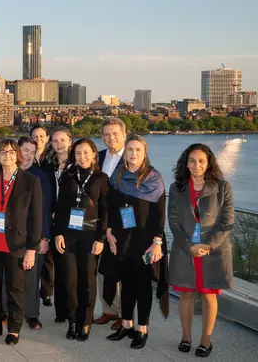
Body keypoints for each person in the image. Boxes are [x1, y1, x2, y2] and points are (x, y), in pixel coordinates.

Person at [168, 144, 233, 358]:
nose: (197, 165)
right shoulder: (176, 189)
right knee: (186, 294)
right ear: (186, 164)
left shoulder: (223, 187)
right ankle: (186, 338)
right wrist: (190, 247)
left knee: (208, 296)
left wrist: (207, 245)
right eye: (192, 161)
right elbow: (174, 222)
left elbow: (226, 222)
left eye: (201, 161)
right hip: (186, 250)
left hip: (211, 251)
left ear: (209, 163)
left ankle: (206, 341)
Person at [0, 139, 41, 346]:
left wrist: (32, 249)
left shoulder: (30, 180)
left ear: (18, 155)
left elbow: (36, 217)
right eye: (3, 152)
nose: (7, 155)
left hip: (17, 245)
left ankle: (14, 329)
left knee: (15, 289)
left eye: (11, 152)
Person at [105, 134, 168, 349]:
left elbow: (160, 213)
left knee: (142, 284)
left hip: (146, 239)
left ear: (144, 153)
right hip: (123, 238)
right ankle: (126, 324)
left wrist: (157, 242)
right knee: (126, 282)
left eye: (138, 150)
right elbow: (112, 208)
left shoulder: (153, 178)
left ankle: (142, 328)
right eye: (130, 149)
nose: (133, 154)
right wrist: (109, 232)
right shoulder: (118, 175)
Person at [54, 139, 109, 342]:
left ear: (94, 154)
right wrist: (58, 233)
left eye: (86, 153)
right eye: (78, 153)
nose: (82, 157)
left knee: (87, 281)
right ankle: (73, 321)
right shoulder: (67, 176)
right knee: (69, 280)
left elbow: (105, 211)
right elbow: (60, 208)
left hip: (90, 236)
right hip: (68, 235)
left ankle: (86, 321)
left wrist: (101, 238)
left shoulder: (101, 178)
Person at [16, 137, 53, 331]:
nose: (28, 155)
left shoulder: (40, 175)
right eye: (25, 150)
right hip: (10, 236)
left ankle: (31, 315)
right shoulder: (6, 172)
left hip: (34, 235)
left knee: (32, 277)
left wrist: (45, 238)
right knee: (11, 276)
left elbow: (45, 209)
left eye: (32, 151)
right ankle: (9, 311)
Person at [95, 117, 126, 330]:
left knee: (122, 271)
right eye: (106, 134)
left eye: (115, 133)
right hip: (99, 220)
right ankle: (108, 310)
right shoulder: (99, 157)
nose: (111, 137)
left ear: (124, 135)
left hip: (123, 223)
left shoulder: (133, 157)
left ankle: (124, 315)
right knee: (101, 269)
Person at [40, 126, 73, 322]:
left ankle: (71, 309)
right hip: (52, 220)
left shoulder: (78, 163)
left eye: (62, 140)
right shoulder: (47, 164)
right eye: (54, 141)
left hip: (72, 222)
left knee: (69, 269)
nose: (58, 144)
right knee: (55, 265)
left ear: (70, 140)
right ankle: (60, 310)